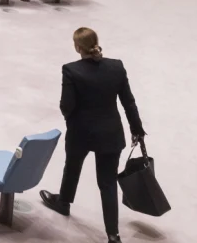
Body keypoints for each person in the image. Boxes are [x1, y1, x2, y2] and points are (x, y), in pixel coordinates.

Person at [39, 30, 145, 243]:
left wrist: (72, 121)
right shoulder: (117, 67)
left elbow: (66, 105)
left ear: (77, 48)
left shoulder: (71, 70)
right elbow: (128, 102)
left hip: (81, 131)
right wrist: (137, 129)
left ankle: (63, 202)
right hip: (110, 133)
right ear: (96, 43)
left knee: (73, 165)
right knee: (107, 182)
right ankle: (113, 235)